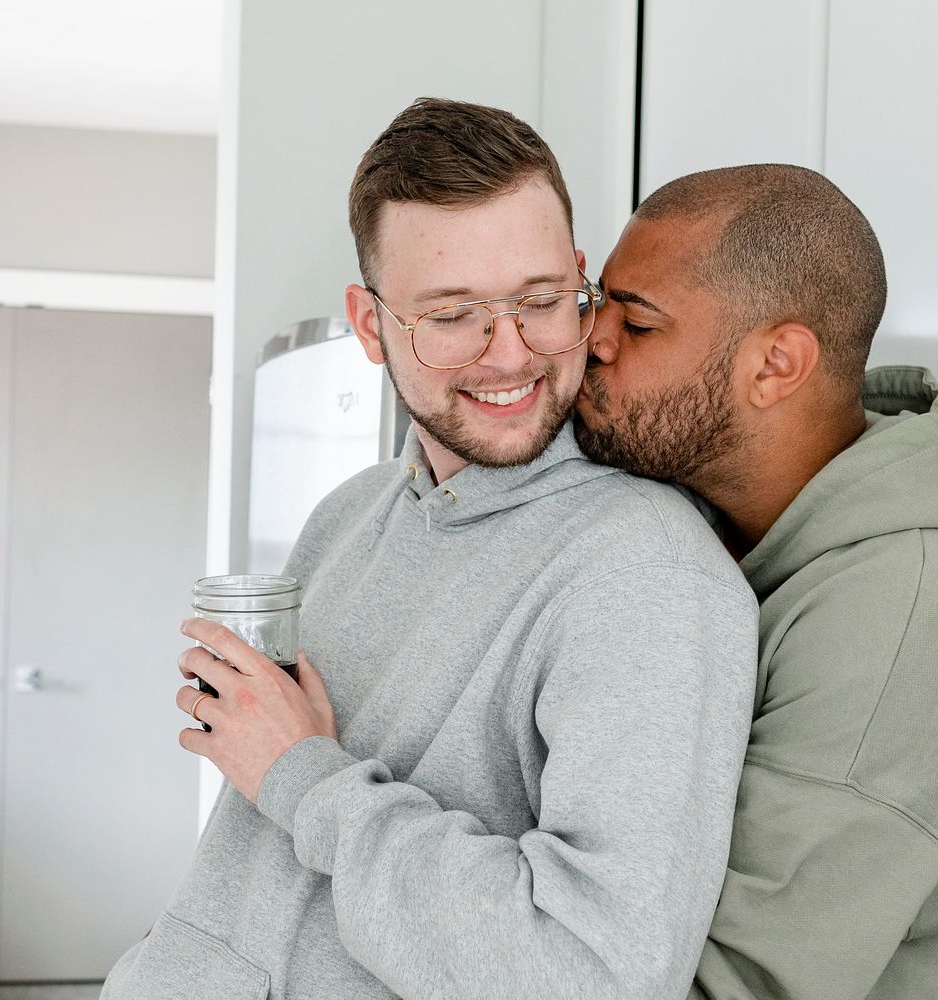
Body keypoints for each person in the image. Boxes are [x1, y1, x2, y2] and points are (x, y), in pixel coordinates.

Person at [100, 99, 757, 1000]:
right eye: (451, 317)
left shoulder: (645, 573)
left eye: (539, 301)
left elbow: (592, 974)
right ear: (370, 327)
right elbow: (267, 855)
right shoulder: (350, 511)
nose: (510, 355)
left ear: (578, 281)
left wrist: (301, 777)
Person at [573, 163, 938, 999]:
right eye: (600, 303)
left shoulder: (890, 620)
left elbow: (735, 988)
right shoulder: (701, 503)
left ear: (777, 364)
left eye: (637, 322)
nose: (591, 339)